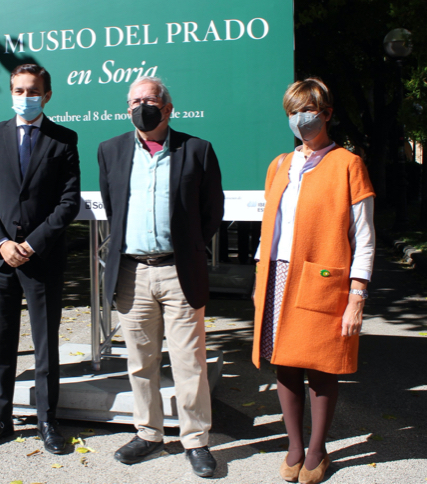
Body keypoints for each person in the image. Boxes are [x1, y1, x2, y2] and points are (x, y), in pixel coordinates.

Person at [98, 76, 224, 478]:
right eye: (134, 101)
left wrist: (186, 249)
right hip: (132, 272)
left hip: (178, 270)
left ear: (168, 108)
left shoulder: (197, 150)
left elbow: (211, 212)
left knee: (189, 361)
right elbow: (112, 206)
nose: (141, 107)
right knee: (140, 362)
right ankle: (148, 433)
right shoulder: (110, 151)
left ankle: (195, 441)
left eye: (149, 100)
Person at [252, 78, 375, 484]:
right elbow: (269, 226)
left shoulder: (349, 164)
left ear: (327, 114)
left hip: (323, 278)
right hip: (278, 274)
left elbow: (365, 238)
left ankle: (318, 450)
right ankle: (294, 445)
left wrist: (357, 295)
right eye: (292, 111)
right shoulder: (278, 165)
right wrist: (258, 277)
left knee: (321, 366)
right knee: (284, 363)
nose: (299, 118)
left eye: (307, 110)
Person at [0, 64, 80, 454]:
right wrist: (1, 242)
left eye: (32, 90)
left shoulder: (64, 139)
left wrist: (31, 245)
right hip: (0, 259)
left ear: (47, 95)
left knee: (44, 345)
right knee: (1, 343)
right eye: (17, 90)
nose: (24, 97)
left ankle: (47, 421)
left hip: (42, 259)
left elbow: (69, 203)